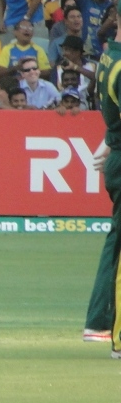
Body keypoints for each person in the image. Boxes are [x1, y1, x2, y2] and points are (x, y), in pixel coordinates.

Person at [83, 25, 121, 348]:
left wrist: (109, 142)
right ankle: (109, 328)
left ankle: (99, 320)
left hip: (117, 153)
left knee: (116, 241)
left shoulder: (108, 58)